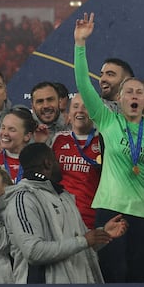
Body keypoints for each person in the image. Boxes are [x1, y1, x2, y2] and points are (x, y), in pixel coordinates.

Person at [73, 14, 144, 283]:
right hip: (110, 207)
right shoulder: (107, 120)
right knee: (113, 276)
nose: (134, 96)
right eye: (129, 92)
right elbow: (83, 83)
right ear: (119, 98)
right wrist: (80, 44)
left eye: (139, 92)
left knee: (142, 278)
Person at [3, 142, 128, 284]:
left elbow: (80, 243)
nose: (60, 165)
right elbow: (33, 251)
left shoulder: (64, 196)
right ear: (48, 163)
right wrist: (84, 241)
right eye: (56, 160)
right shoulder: (23, 199)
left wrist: (103, 233)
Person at [51, 94, 104, 228]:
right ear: (68, 114)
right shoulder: (58, 140)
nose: (80, 110)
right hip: (61, 219)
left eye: (86, 107)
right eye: (75, 106)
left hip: (91, 219)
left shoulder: (103, 141)